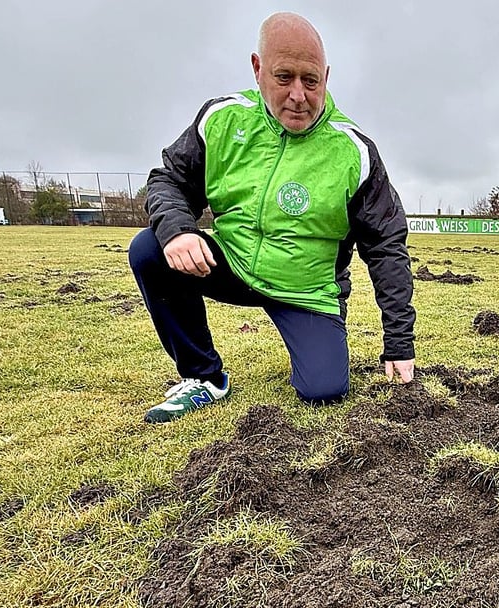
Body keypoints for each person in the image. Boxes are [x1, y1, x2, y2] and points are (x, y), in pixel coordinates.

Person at [128, 12, 415, 423]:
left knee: (324, 390)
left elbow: (387, 247)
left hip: (307, 289)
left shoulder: (354, 151)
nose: (298, 95)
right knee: (150, 249)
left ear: (326, 77)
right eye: (284, 77)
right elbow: (169, 179)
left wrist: (399, 344)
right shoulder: (222, 119)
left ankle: (314, 347)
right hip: (232, 263)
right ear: (258, 69)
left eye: (311, 80)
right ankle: (204, 377)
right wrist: (178, 231)